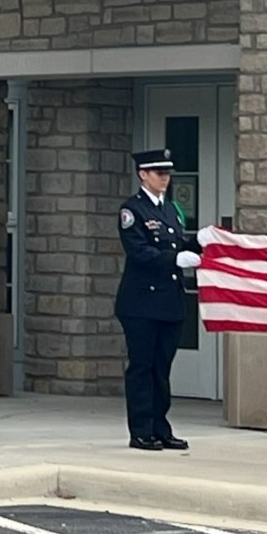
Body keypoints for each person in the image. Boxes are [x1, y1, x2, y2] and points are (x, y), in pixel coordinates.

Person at [115, 149, 200, 452]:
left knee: (161, 368)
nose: (165, 178)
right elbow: (140, 253)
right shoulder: (132, 210)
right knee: (142, 367)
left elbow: (178, 243)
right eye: (158, 173)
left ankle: (160, 427)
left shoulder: (171, 210)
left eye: (167, 173)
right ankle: (141, 431)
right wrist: (177, 258)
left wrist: (200, 241)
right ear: (143, 175)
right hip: (142, 303)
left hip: (169, 303)